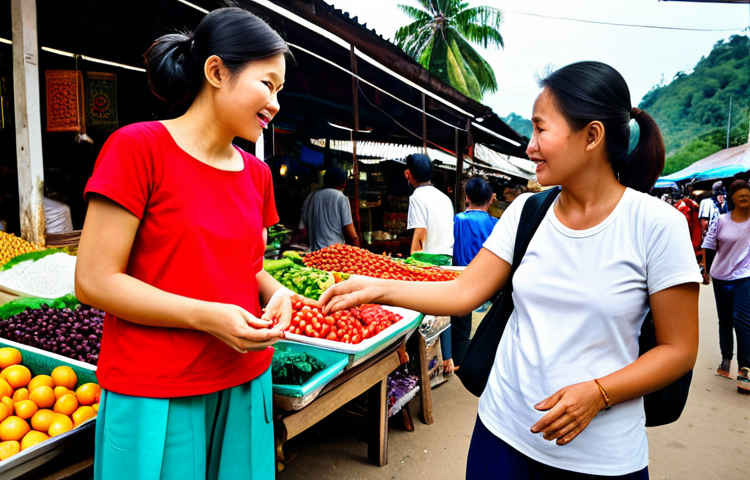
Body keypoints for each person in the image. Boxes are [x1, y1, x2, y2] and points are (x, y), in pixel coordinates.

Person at [320, 61, 700, 479]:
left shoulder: (657, 225)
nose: (530, 147)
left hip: (601, 457)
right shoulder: (527, 212)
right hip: (502, 433)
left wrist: (599, 393)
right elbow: (463, 292)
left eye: (541, 130)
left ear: (592, 135)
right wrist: (375, 287)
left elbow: (678, 350)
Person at [75, 8, 294, 480]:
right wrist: (207, 316)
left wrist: (276, 293)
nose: (275, 103)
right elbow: (94, 281)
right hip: (156, 388)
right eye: (268, 84)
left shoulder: (257, 175)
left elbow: (246, 268)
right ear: (216, 71)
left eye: (279, 90)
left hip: (246, 379)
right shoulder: (138, 149)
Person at [441, 177, 498, 374]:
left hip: (462, 282)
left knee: (461, 330)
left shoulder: (458, 220)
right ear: (491, 199)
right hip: (490, 283)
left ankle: (460, 365)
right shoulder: (496, 224)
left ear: (467, 198)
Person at [702, 179, 750, 394]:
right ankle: (725, 360)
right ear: (731, 199)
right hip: (721, 276)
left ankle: (745, 369)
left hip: (745, 277)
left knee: (743, 319)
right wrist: (707, 271)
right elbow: (710, 247)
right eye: (740, 197)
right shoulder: (721, 221)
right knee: (725, 320)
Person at [299, 166, 360, 251]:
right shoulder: (341, 197)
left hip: (314, 254)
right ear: (344, 183)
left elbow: (302, 229)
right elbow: (350, 231)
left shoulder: (311, 196)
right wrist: (358, 249)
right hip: (334, 255)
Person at [405, 153, 454, 259]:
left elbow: (421, 231)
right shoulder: (444, 198)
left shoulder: (417, 196)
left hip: (429, 257)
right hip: (447, 257)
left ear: (408, 174)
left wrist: (414, 258)